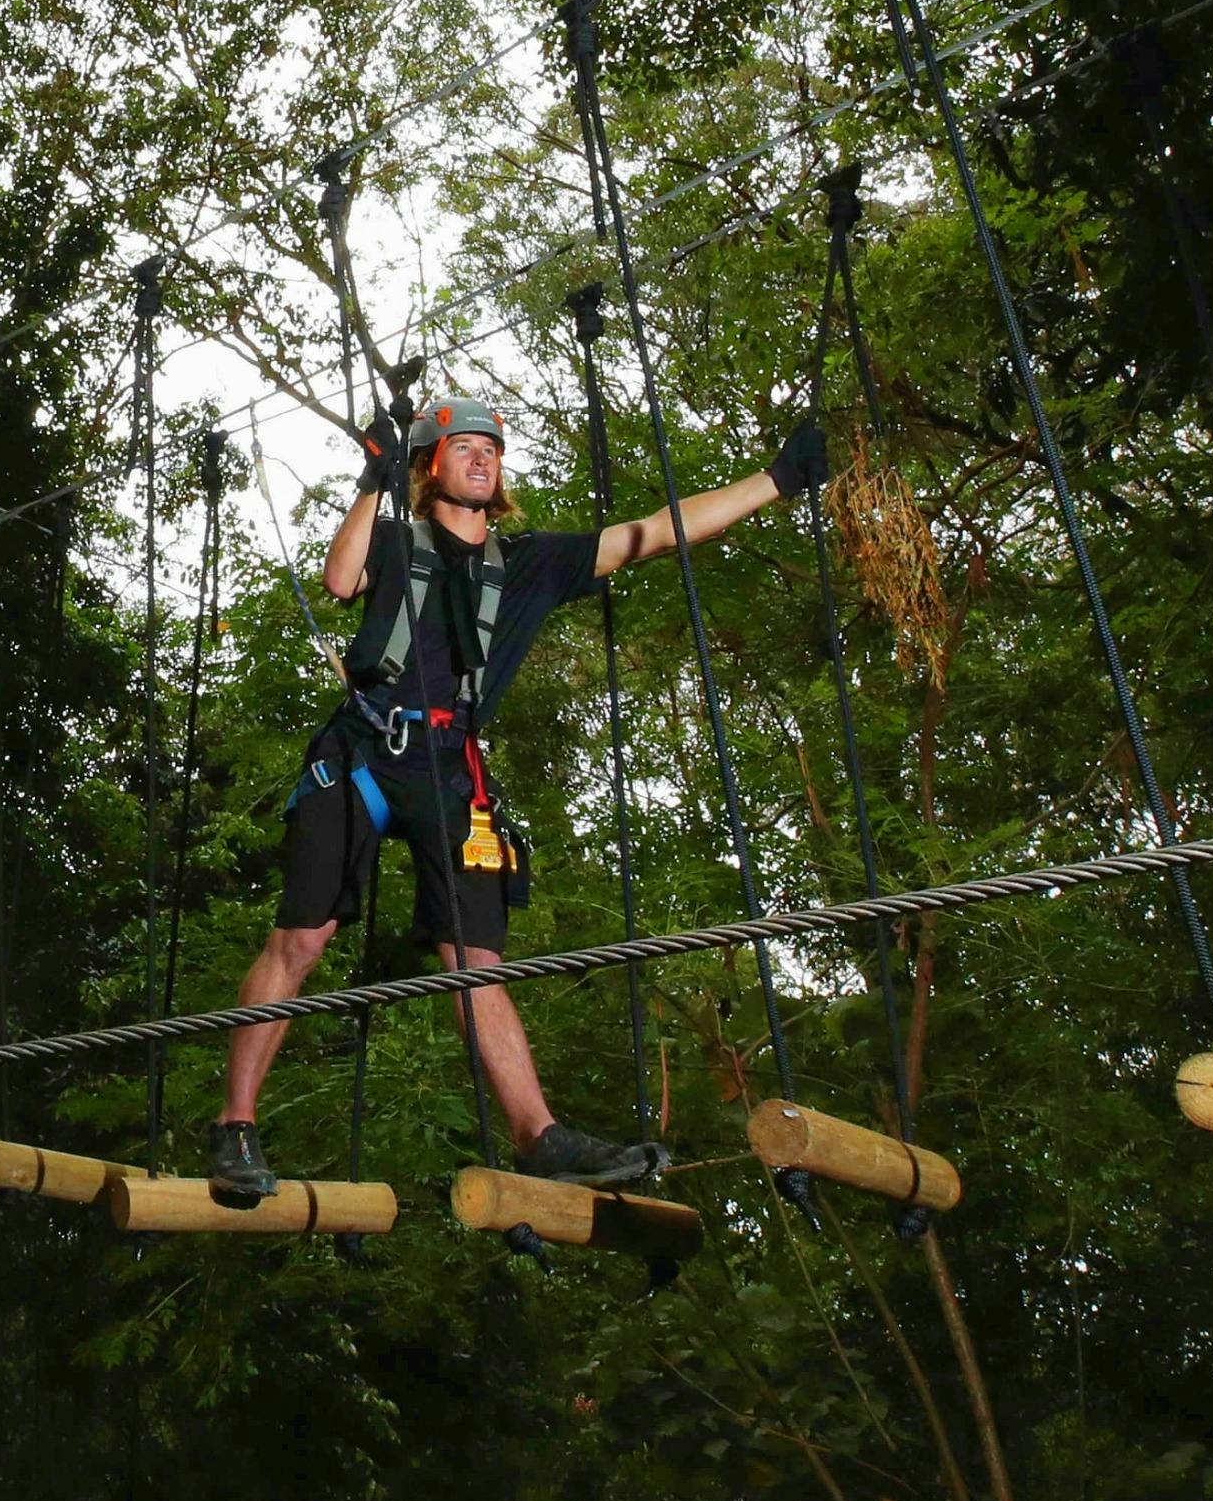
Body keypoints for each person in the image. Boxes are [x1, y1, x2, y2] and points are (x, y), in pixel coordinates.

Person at [205, 397, 827, 1204]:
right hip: (362, 752)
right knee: (303, 940)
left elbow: (658, 530)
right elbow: (340, 577)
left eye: (489, 450)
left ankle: (540, 1137)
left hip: (451, 769)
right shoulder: (395, 538)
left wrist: (775, 481)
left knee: (477, 964)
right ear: (432, 468)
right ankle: (235, 1126)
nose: (480, 459)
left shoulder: (529, 562)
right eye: (461, 448)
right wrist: (375, 478)